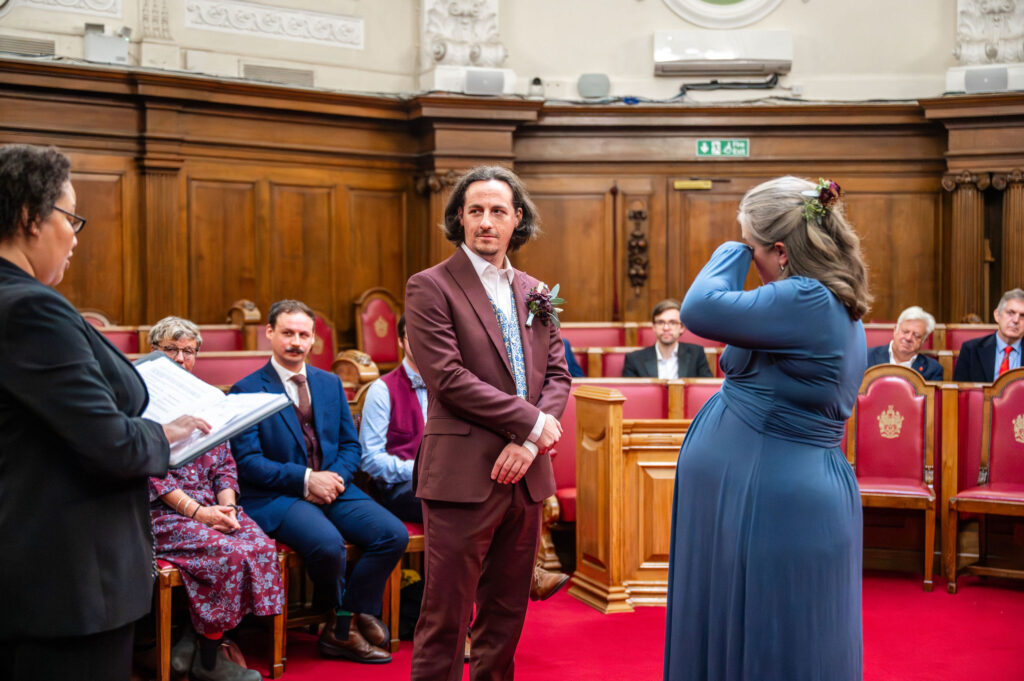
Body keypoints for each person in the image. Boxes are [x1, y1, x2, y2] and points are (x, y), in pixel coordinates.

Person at [0, 144, 209, 681]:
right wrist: (163, 435)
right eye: (70, 218)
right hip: (67, 578)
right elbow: (109, 444)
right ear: (29, 218)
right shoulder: (30, 308)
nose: (74, 236)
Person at [664, 176, 871, 681]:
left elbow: (698, 308)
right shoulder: (808, 299)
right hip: (754, 493)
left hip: (773, 499)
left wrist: (728, 250)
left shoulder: (807, 298)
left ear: (779, 250)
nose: (748, 261)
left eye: (752, 249)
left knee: (777, 641)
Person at [405, 165, 572, 680]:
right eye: (475, 210)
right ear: (459, 217)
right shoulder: (430, 286)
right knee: (445, 619)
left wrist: (528, 442)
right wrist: (530, 425)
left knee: (506, 616)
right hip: (461, 477)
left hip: (524, 478)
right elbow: (449, 379)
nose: (486, 221)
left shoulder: (535, 290)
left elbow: (560, 376)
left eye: (498, 211)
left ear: (516, 219)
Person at [229, 299, 407, 664]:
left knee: (392, 535)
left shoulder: (328, 383)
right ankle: (346, 625)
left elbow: (349, 445)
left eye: (303, 335)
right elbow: (247, 464)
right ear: (270, 333)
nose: (296, 342)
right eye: (288, 333)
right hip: (276, 495)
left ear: (313, 340)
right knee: (328, 546)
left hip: (335, 487)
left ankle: (344, 620)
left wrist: (335, 478)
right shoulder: (245, 390)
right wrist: (308, 479)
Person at [147, 317, 284, 681]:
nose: (180, 358)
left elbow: (224, 464)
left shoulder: (207, 398)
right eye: (170, 350)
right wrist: (200, 513)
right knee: (228, 553)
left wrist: (228, 507)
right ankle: (210, 661)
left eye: (188, 351)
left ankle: (192, 643)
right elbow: (150, 477)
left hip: (211, 504)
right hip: (162, 513)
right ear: (154, 353)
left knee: (259, 544)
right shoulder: (141, 404)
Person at [358, 313, 427, 524]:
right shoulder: (382, 390)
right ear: (399, 341)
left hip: (447, 482)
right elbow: (370, 459)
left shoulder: (451, 386)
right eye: (412, 336)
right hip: (400, 487)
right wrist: (419, 471)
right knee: (448, 502)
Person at [622, 299, 712, 378]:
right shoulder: (634, 359)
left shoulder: (696, 354)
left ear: (682, 328)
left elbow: (706, 390)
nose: (666, 328)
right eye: (661, 322)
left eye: (672, 322)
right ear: (654, 326)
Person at [953, 288, 1024, 382]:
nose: (1016, 320)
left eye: (1022, 316)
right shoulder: (971, 350)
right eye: (1010, 313)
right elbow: (961, 393)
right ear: (997, 315)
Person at [866, 305, 943, 380]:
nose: (908, 338)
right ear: (895, 330)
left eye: (916, 336)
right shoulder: (867, 357)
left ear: (924, 340)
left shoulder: (932, 369)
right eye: (905, 332)